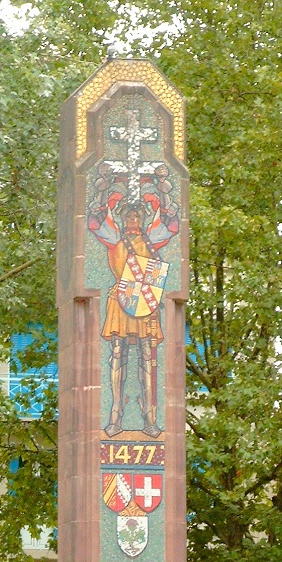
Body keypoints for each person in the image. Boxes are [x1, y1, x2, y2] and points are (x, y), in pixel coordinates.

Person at [87, 165, 179, 438]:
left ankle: (149, 419)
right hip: (122, 299)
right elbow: (94, 222)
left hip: (144, 302)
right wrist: (102, 190)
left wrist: (163, 193)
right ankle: (115, 415)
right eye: (129, 215)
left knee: (147, 357)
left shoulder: (152, 239)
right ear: (123, 216)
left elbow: (172, 225)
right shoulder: (115, 238)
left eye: (138, 215)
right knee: (118, 355)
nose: (133, 219)